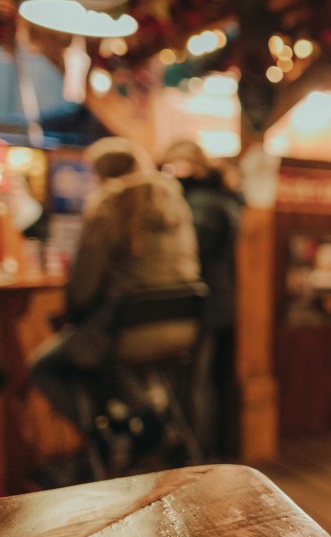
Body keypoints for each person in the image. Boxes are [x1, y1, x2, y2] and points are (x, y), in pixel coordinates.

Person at [28, 137, 199, 482]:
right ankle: (149, 422)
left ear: (101, 175)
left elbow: (83, 287)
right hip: (180, 329)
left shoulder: (109, 206)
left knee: (45, 365)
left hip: (125, 331)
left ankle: (103, 437)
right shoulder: (176, 202)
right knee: (122, 366)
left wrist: (74, 313)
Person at [161, 139, 244, 459]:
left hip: (203, 301)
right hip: (217, 298)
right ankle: (202, 449)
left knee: (195, 382)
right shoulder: (220, 197)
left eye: (173, 167)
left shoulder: (201, 203)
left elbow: (194, 251)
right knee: (203, 380)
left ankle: (196, 454)